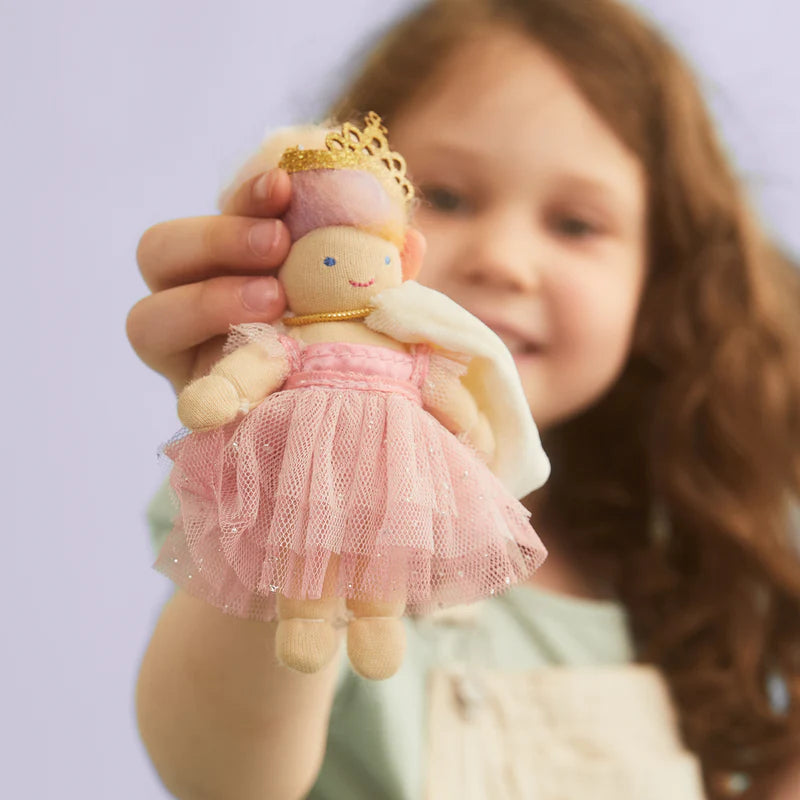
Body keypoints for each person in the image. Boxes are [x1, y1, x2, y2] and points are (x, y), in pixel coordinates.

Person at [128, 0, 800, 798]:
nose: (506, 261)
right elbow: (220, 775)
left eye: (577, 224)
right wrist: (287, 477)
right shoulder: (278, 477)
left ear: (658, 285)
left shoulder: (703, 548)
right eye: (444, 198)